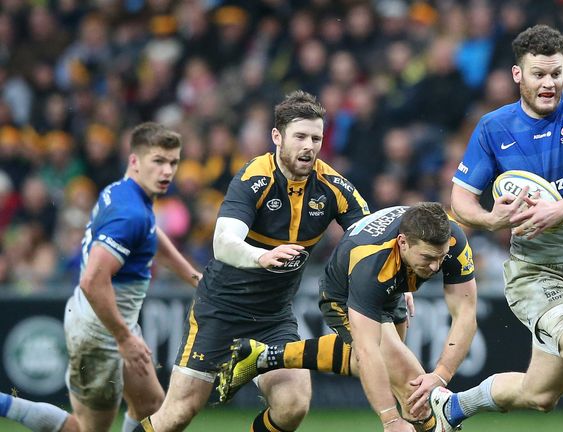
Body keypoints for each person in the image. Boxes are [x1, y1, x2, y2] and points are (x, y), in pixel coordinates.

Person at [132, 90, 370, 432]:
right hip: (221, 310)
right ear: (277, 136)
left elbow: (371, 236)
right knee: (178, 414)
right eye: (300, 136)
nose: (309, 146)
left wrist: (394, 275)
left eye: (316, 138)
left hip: (273, 318)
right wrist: (262, 256)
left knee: (293, 406)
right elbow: (223, 243)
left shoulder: (333, 186)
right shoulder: (253, 178)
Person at [434, 25, 563, 432]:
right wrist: (491, 219)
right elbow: (461, 201)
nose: (549, 83)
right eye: (539, 74)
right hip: (535, 273)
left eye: (556, 73)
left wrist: (558, 211)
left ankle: (452, 408)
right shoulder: (493, 128)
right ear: (517, 75)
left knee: (540, 395)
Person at [1, 122, 203, 432]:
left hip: (104, 319)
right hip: (101, 332)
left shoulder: (124, 192)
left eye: (173, 162)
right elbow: (93, 280)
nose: (167, 171)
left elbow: (150, 233)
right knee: (87, 428)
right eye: (158, 161)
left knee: (152, 407)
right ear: (135, 161)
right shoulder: (130, 213)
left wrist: (193, 276)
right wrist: (123, 338)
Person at [217, 202, 478, 432]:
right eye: (428, 258)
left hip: (394, 282)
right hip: (344, 290)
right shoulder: (370, 267)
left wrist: (441, 375)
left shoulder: (452, 238)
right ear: (403, 243)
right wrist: (390, 420)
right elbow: (367, 350)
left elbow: (466, 313)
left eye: (440, 258)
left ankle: (262, 356)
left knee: (402, 381)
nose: (434, 267)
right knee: (416, 393)